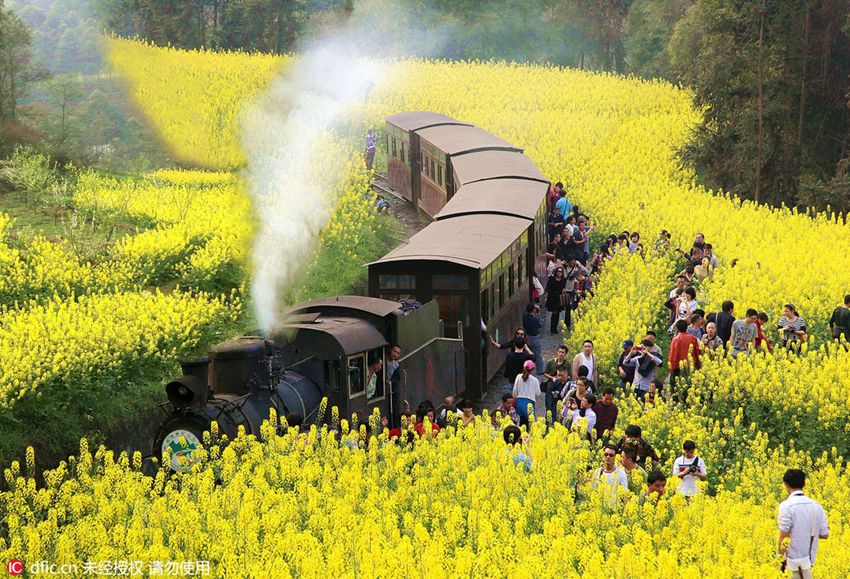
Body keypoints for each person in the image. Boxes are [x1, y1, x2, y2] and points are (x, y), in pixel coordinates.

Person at [777, 469, 829, 578]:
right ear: (804, 484)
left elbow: (784, 537)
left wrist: (779, 563)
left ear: (786, 485)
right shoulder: (816, 506)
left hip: (790, 566)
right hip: (808, 564)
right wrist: (807, 530)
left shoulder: (786, 506)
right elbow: (825, 534)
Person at [668, 319, 701, 396]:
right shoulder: (693, 338)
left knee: (677, 388)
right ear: (687, 327)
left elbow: (673, 355)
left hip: (678, 367)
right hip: (690, 366)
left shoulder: (675, 339)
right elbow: (697, 352)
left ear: (677, 328)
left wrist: (671, 368)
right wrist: (698, 365)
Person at [513, 360, 541, 428]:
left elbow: (514, 391)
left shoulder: (518, 377)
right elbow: (538, 393)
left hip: (519, 402)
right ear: (533, 370)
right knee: (529, 424)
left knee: (520, 423)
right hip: (529, 403)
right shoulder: (535, 380)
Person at [543, 345, 570, 417]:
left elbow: (569, 376)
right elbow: (545, 373)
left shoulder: (567, 364)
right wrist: (552, 378)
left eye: (562, 352)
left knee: (558, 407)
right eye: (559, 352)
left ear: (565, 354)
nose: (560, 354)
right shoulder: (550, 362)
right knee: (548, 406)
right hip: (550, 387)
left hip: (561, 388)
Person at [544, 266, 568, 334]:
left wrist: (564, 290)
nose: (559, 273)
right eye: (558, 271)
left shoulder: (563, 280)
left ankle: (554, 328)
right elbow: (548, 288)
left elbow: (563, 288)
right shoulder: (552, 279)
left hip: (559, 298)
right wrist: (546, 297)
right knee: (554, 313)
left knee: (557, 313)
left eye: (561, 272)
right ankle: (552, 328)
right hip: (552, 298)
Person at [522, 304, 544, 373]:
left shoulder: (524, 316)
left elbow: (526, 311)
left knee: (528, 353)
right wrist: (537, 314)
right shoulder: (535, 319)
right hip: (534, 337)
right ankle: (540, 370)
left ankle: (527, 368)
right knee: (538, 354)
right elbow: (539, 325)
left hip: (527, 336)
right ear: (533, 310)